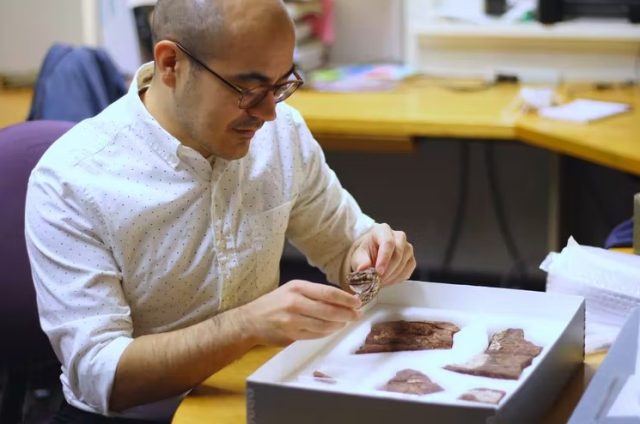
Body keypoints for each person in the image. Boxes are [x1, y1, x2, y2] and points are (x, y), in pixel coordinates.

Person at [25, 0, 416, 422]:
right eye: (248, 90)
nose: (268, 113)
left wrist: (372, 253)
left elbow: (345, 244)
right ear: (171, 64)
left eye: (282, 85)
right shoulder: (73, 180)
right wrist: (247, 325)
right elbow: (101, 376)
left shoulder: (281, 132)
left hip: (252, 394)